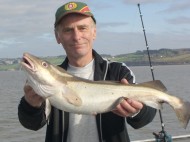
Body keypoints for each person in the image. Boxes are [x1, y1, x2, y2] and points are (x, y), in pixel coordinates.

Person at [18, 1, 156, 142]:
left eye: (82, 28)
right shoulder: (41, 83)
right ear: (57, 36)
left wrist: (137, 111)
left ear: (94, 32)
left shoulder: (118, 71)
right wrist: (31, 105)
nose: (77, 37)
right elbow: (32, 124)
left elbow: (146, 117)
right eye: (68, 30)